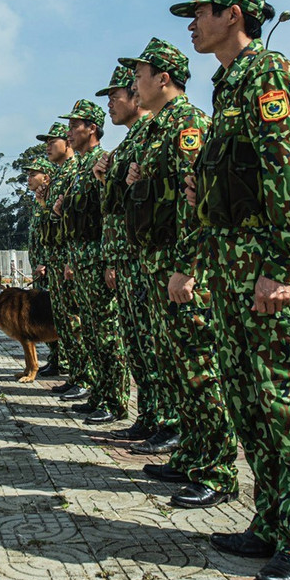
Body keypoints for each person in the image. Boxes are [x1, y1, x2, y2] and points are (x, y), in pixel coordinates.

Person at [169, 0, 290, 580]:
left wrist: (279, 268)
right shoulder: (229, 86)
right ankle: (272, 522)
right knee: (252, 408)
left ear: (233, 14)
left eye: (201, 13)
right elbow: (240, 181)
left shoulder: (269, 76)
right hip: (232, 277)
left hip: (268, 279)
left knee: (289, 409)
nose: (193, 25)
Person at [119, 38, 238, 509]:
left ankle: (217, 470)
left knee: (199, 370)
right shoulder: (156, 129)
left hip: (180, 268)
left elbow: (196, 202)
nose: (134, 86)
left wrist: (187, 268)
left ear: (163, 79)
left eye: (139, 76)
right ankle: (191, 454)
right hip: (156, 264)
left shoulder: (187, 125)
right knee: (175, 368)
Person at [92, 66, 178, 444]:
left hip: (152, 257)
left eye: (116, 96)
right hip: (132, 257)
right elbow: (115, 207)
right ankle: (151, 416)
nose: (111, 104)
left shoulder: (155, 133)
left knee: (159, 348)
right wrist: (107, 180)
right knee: (140, 345)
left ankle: (169, 422)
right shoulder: (129, 144)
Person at [56, 99, 129, 424]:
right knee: (91, 332)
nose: (69, 133)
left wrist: (110, 260)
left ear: (92, 128)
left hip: (98, 258)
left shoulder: (103, 160)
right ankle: (99, 393)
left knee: (107, 333)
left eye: (75, 126)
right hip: (82, 259)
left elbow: (109, 214)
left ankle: (115, 400)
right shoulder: (81, 168)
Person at [35, 123, 91, 398]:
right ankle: (77, 375)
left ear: (67, 144)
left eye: (52, 141)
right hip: (58, 259)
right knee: (64, 320)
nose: (48, 146)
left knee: (75, 320)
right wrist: (45, 204)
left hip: (70, 259)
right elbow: (54, 220)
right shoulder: (59, 175)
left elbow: (75, 220)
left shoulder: (74, 171)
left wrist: (69, 258)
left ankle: (85, 378)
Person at [25, 153, 61, 377]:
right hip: (40, 270)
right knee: (46, 315)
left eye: (33, 174)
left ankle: (61, 360)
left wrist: (44, 261)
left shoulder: (51, 199)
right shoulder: (38, 203)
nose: (28, 179)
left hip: (48, 268)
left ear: (46, 177)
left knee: (52, 316)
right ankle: (55, 358)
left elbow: (53, 235)